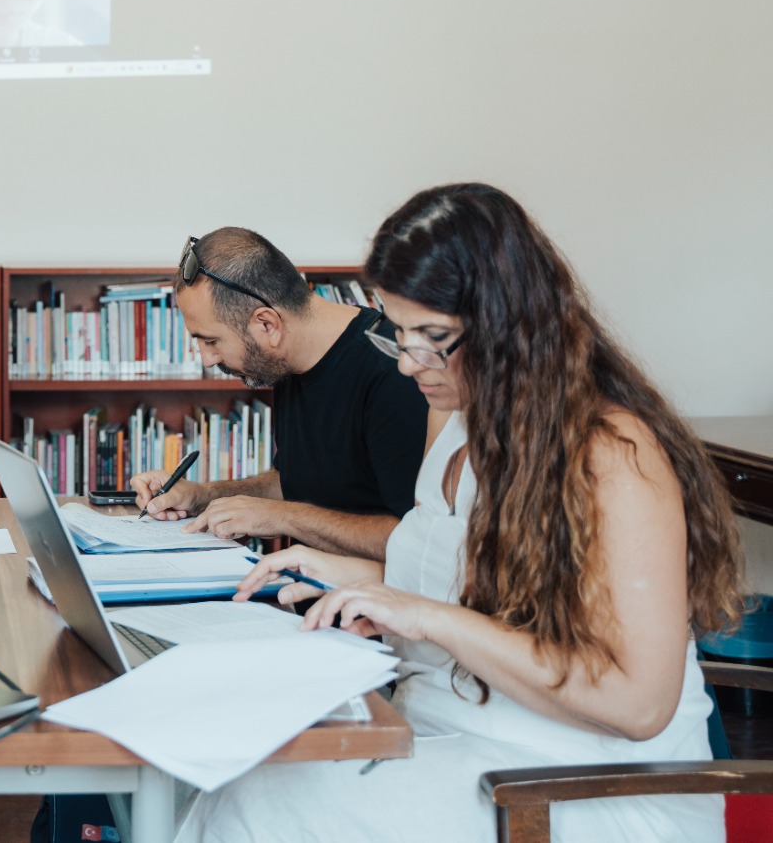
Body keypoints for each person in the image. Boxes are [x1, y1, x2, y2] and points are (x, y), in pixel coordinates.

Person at [178, 183, 744, 842]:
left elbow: (639, 704)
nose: (409, 363)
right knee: (230, 773)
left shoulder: (612, 454)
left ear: (510, 321)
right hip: (447, 733)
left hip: (572, 781)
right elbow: (452, 583)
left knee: (257, 808)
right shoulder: (454, 416)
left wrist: (427, 619)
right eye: (400, 334)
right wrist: (332, 572)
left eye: (434, 337)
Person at [132, 228, 429, 560]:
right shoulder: (284, 361)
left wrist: (283, 517)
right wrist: (203, 496)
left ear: (267, 324)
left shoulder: (395, 373)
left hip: (372, 609)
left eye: (211, 341)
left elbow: (416, 540)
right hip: (303, 603)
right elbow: (294, 482)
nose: (207, 359)